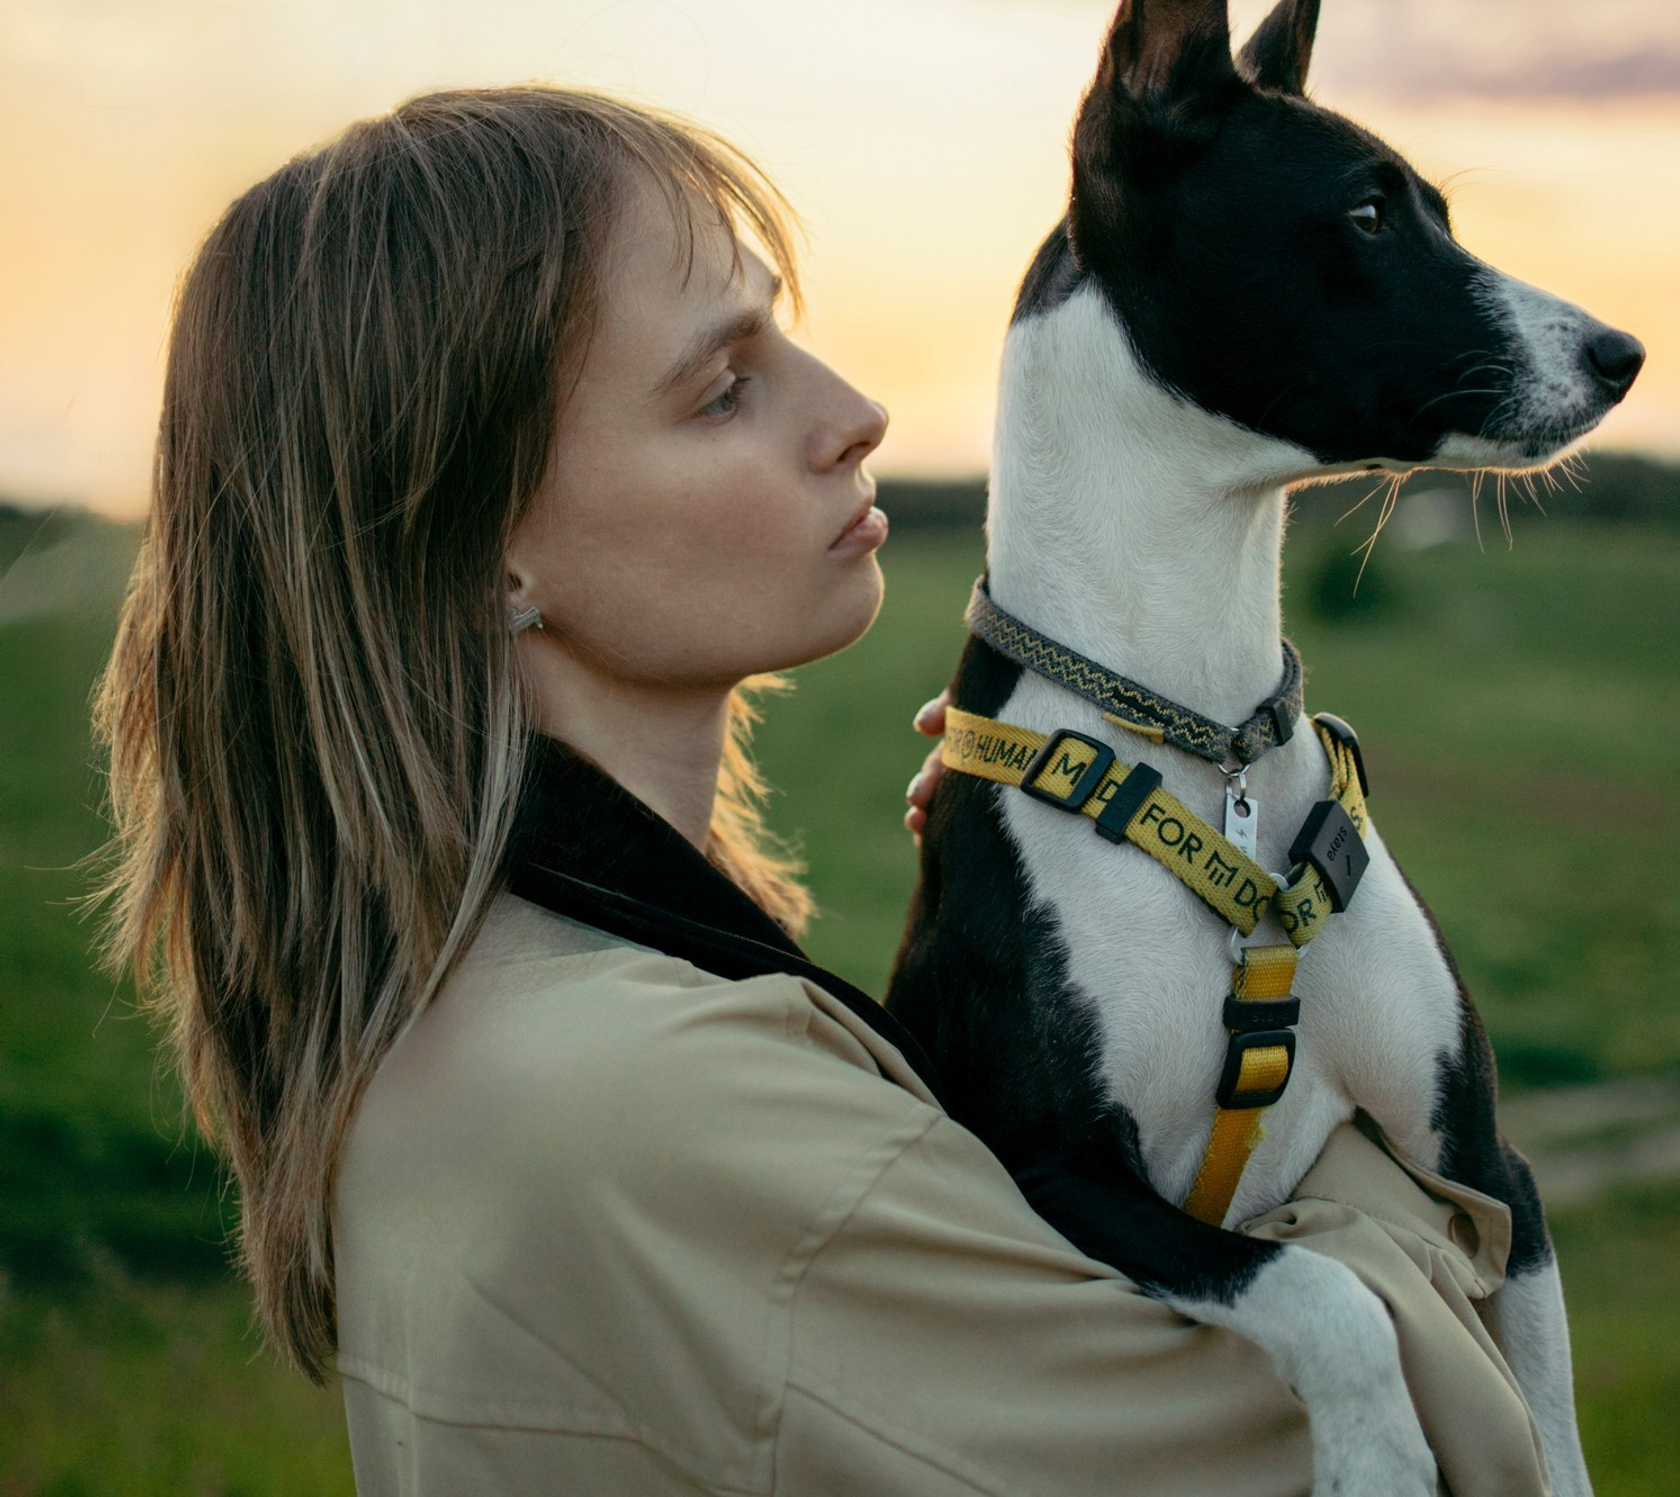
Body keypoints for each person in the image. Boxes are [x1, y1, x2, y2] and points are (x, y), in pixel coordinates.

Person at [97, 85, 1544, 1496]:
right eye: (723, 389)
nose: (855, 413)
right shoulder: (665, 1110)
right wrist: (1353, 1065)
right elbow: (1339, 1452)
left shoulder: (497, 1002)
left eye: (785, 337)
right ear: (483, 555)